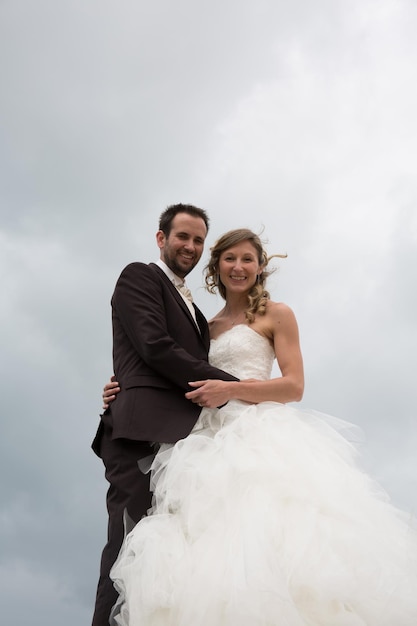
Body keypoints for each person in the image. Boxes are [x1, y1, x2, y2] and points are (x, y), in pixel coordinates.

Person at [104, 228, 417, 626]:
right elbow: (167, 364)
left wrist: (231, 388)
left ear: (260, 267)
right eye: (230, 259)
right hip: (201, 442)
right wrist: (118, 386)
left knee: (276, 534)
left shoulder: (277, 314)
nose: (238, 267)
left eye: (247, 259)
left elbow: (294, 386)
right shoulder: (204, 327)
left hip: (259, 434)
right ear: (216, 267)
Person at [91, 204, 241, 626]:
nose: (190, 246)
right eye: (182, 236)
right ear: (161, 238)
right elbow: (154, 346)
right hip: (140, 433)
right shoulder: (139, 275)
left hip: (185, 444)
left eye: (198, 240)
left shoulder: (196, 313)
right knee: (128, 547)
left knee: (171, 558)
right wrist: (237, 387)